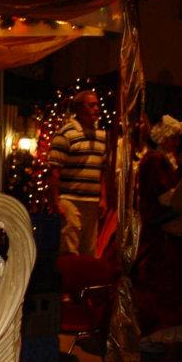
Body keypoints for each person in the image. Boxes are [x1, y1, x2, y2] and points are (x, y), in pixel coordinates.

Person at [132, 114, 182, 335]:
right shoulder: (155, 160)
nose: (177, 143)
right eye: (174, 138)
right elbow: (161, 194)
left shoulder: (168, 158)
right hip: (159, 224)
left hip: (165, 223)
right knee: (158, 277)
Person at [48, 90, 107, 257]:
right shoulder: (66, 134)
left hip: (92, 201)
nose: (96, 109)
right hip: (71, 199)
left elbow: (102, 170)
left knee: (89, 249)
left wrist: (103, 198)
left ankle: (85, 282)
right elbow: (55, 170)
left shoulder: (101, 136)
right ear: (79, 108)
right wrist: (55, 200)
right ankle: (69, 281)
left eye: (97, 105)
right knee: (70, 246)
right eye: (91, 105)